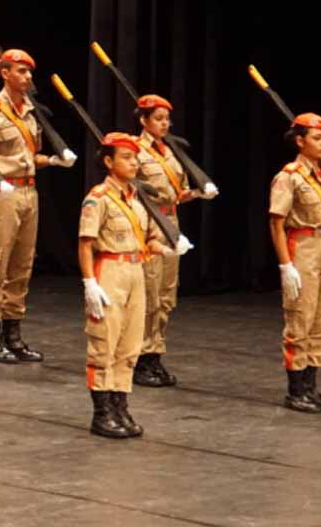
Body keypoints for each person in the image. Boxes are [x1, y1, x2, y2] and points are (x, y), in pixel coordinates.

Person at [79, 133, 189, 439]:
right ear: (108, 161)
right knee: (105, 343)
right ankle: (102, 412)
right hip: (110, 269)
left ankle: (120, 405)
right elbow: (86, 243)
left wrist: (169, 249)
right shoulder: (99, 198)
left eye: (135, 157)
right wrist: (90, 282)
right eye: (126, 157)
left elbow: (149, 239)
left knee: (129, 346)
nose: (134, 162)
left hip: (136, 270)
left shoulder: (139, 199)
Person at [0, 49, 75, 364]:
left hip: (29, 192)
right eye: (20, 71)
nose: (27, 77)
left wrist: (53, 160)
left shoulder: (31, 111)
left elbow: (31, 157)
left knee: (22, 265)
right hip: (1, 193)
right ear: (4, 73)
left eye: (29, 72)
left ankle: (14, 334)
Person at [132, 94, 216, 387]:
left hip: (172, 222)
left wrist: (197, 193)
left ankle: (155, 354)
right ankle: (140, 357)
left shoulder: (172, 151)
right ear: (143, 120)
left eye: (167, 119)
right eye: (158, 118)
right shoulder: (134, 151)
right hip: (148, 223)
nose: (164, 124)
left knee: (167, 294)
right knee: (150, 292)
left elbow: (176, 193)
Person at [269, 112, 321, 413]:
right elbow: (276, 223)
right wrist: (286, 265)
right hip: (303, 246)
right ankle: (296, 390)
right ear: (300, 141)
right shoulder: (289, 177)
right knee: (301, 318)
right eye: (317, 138)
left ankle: (311, 385)